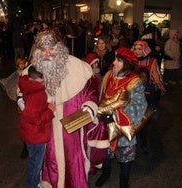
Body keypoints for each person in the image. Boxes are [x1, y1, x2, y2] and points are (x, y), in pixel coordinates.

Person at [19, 30, 109, 188]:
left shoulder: (79, 68)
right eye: (43, 50)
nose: (47, 53)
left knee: (72, 160)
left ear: (59, 47)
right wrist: (23, 103)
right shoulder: (31, 71)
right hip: (44, 129)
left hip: (72, 128)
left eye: (51, 48)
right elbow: (22, 92)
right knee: (46, 161)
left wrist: (88, 108)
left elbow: (91, 92)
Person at [95, 47, 147, 188]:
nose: (114, 63)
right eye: (114, 59)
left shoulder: (134, 82)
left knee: (125, 158)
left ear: (127, 63)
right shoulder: (108, 76)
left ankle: (124, 183)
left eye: (118, 60)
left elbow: (140, 105)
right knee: (106, 153)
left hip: (123, 127)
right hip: (105, 125)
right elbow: (101, 95)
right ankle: (105, 174)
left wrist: (114, 116)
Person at [18, 65, 55, 187]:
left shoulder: (28, 86)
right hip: (37, 135)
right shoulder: (37, 93)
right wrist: (50, 110)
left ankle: (34, 183)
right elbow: (34, 118)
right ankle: (32, 185)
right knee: (35, 164)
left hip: (30, 133)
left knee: (33, 161)